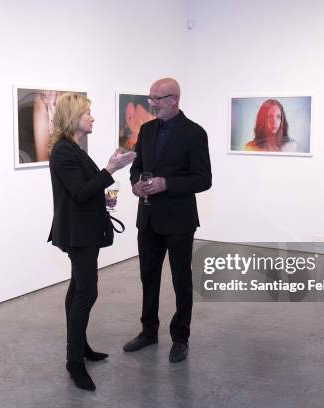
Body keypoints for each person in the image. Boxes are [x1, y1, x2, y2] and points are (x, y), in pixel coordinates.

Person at [47, 93, 136, 391]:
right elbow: (81, 192)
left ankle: (81, 347)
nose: (92, 117)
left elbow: (86, 188)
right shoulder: (63, 151)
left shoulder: (74, 148)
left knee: (78, 289)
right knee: (87, 292)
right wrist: (110, 169)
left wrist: (107, 176)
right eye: (87, 113)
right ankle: (74, 362)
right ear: (74, 117)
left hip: (84, 230)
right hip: (77, 233)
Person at [124, 78, 212, 363]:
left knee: (181, 280)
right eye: (150, 98)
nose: (152, 103)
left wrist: (167, 184)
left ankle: (180, 337)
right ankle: (148, 331)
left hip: (178, 220)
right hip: (147, 217)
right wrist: (136, 184)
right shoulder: (147, 130)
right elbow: (137, 167)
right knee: (148, 278)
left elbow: (203, 179)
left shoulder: (194, 133)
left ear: (174, 99)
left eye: (156, 98)